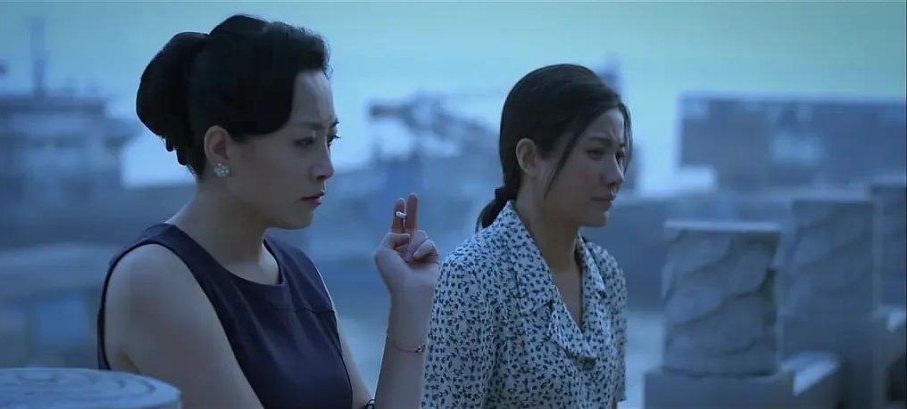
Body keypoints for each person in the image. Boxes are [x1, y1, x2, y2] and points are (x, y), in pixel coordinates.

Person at [95, 14, 440, 409]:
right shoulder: (154, 278)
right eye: (304, 142)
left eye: (330, 139)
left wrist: (410, 306)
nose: (326, 167)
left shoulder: (298, 270)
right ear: (222, 149)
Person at [421, 64, 632, 409]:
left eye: (619, 154)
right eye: (596, 153)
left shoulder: (606, 276)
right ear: (529, 158)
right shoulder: (472, 279)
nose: (616, 175)